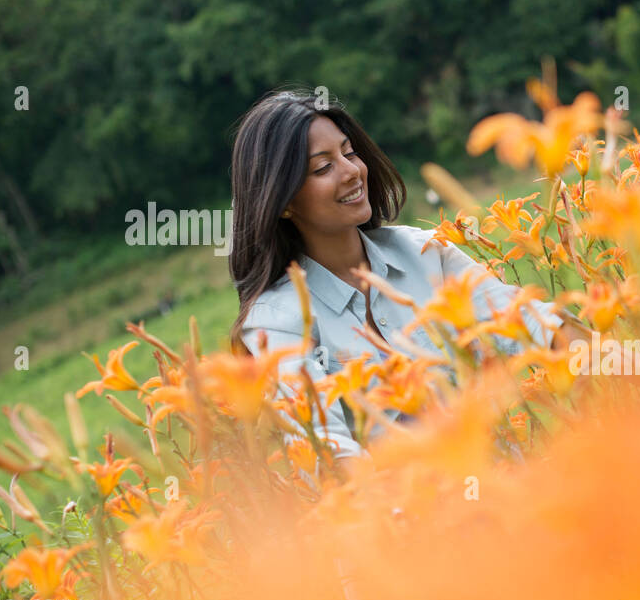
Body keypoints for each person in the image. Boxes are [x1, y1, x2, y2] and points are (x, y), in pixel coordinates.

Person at [226, 89, 584, 467]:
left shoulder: (425, 252)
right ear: (282, 203)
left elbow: (525, 320)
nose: (351, 171)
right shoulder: (275, 321)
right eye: (322, 167)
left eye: (349, 153)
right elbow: (327, 452)